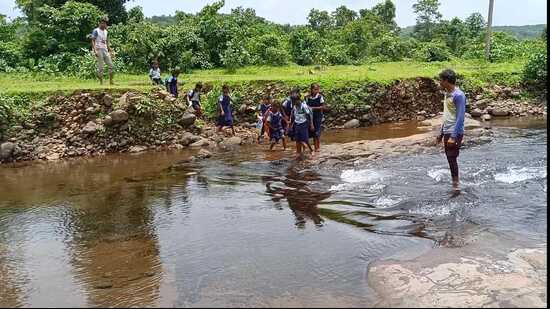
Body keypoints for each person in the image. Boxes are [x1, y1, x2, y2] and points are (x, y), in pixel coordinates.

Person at [436, 69, 466, 194]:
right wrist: (441, 133)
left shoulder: (458, 95)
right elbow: (447, 115)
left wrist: (453, 136)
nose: (439, 82)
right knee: (450, 158)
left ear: (446, 81)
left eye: (441, 80)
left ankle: (456, 185)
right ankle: (455, 183)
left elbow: (460, 117)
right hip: (447, 130)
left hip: (454, 131)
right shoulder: (447, 94)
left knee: (451, 157)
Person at [289, 94, 314, 160]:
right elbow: (294, 116)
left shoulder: (303, 106)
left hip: (303, 124)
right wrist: (291, 125)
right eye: (292, 101)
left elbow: (309, 115)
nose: (293, 103)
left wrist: (311, 124)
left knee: (305, 139)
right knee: (297, 139)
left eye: (294, 101)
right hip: (297, 124)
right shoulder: (294, 106)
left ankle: (311, 150)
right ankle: (298, 152)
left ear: (298, 100)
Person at [91, 17, 114, 85]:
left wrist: (110, 50)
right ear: (100, 23)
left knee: (111, 66)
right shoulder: (96, 31)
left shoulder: (106, 31)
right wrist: (95, 51)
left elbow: (107, 41)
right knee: (100, 67)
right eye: (103, 23)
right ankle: (101, 82)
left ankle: (111, 81)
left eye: (105, 23)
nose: (104, 25)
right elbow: (93, 40)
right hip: (99, 49)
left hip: (105, 50)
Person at [305, 83, 326, 152]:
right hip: (310, 117)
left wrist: (313, 108)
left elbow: (323, 107)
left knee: (317, 132)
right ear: (311, 90)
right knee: (312, 132)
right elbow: (306, 107)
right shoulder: (307, 97)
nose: (316, 91)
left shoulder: (320, 97)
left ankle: (317, 147)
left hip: (318, 116)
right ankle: (315, 147)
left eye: (317, 89)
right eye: (315, 89)